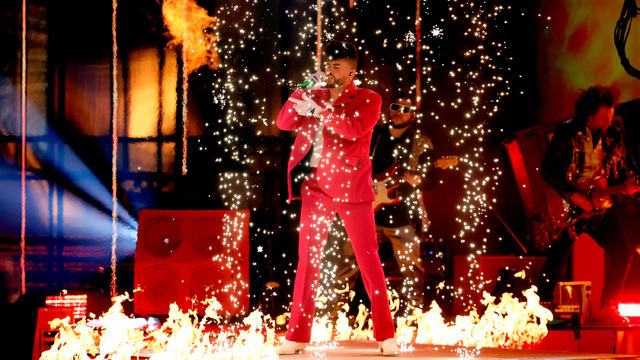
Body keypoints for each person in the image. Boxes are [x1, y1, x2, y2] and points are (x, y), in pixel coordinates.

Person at [275, 40, 399, 355]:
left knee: (368, 258)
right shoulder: (312, 95)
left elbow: (352, 129)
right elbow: (283, 123)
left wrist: (322, 109)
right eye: (328, 65)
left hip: (352, 188)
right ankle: (297, 335)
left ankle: (386, 334)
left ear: (352, 70)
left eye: (337, 66)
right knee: (308, 260)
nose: (330, 70)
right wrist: (300, 92)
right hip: (316, 188)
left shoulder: (369, 98)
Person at [318, 93, 445, 319]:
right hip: (364, 213)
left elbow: (431, 179)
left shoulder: (421, 143)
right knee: (346, 267)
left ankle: (413, 319)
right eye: (396, 107)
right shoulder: (372, 136)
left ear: (413, 116)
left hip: (401, 216)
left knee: (412, 271)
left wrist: (419, 179)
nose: (399, 112)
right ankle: (335, 318)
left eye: (406, 109)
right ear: (388, 109)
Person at [537, 85, 640, 323]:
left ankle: (608, 308)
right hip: (571, 204)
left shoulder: (615, 135)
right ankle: (540, 308)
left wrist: (628, 183)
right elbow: (549, 171)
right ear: (589, 116)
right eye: (604, 117)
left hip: (600, 205)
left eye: (611, 115)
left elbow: (627, 170)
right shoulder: (567, 132)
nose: (609, 121)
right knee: (557, 258)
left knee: (623, 252)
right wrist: (575, 197)